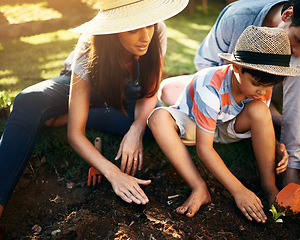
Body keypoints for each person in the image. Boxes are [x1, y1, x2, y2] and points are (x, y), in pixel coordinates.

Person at [0, 0, 189, 234]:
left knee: (156, 126)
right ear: (113, 30)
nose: (145, 37)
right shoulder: (90, 46)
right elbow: (75, 135)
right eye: (133, 29)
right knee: (28, 100)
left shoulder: (157, 31)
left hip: (128, 92)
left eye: (148, 25)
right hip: (85, 87)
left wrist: (137, 129)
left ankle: (66, 117)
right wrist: (114, 173)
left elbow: (149, 92)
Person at [159, 0, 300, 192]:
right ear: (287, 15)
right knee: (167, 90)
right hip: (228, 85)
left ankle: (292, 167)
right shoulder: (237, 16)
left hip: (273, 88)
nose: (299, 50)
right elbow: (205, 65)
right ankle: (262, 119)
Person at [148, 26, 300, 223]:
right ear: (237, 67)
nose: (262, 91)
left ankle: (269, 186)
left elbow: (260, 116)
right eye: (256, 84)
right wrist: (239, 190)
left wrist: (273, 143)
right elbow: (204, 148)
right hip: (195, 125)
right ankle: (199, 187)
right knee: (158, 117)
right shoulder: (210, 89)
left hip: (230, 124)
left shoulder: (262, 84)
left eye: (269, 86)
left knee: (260, 109)